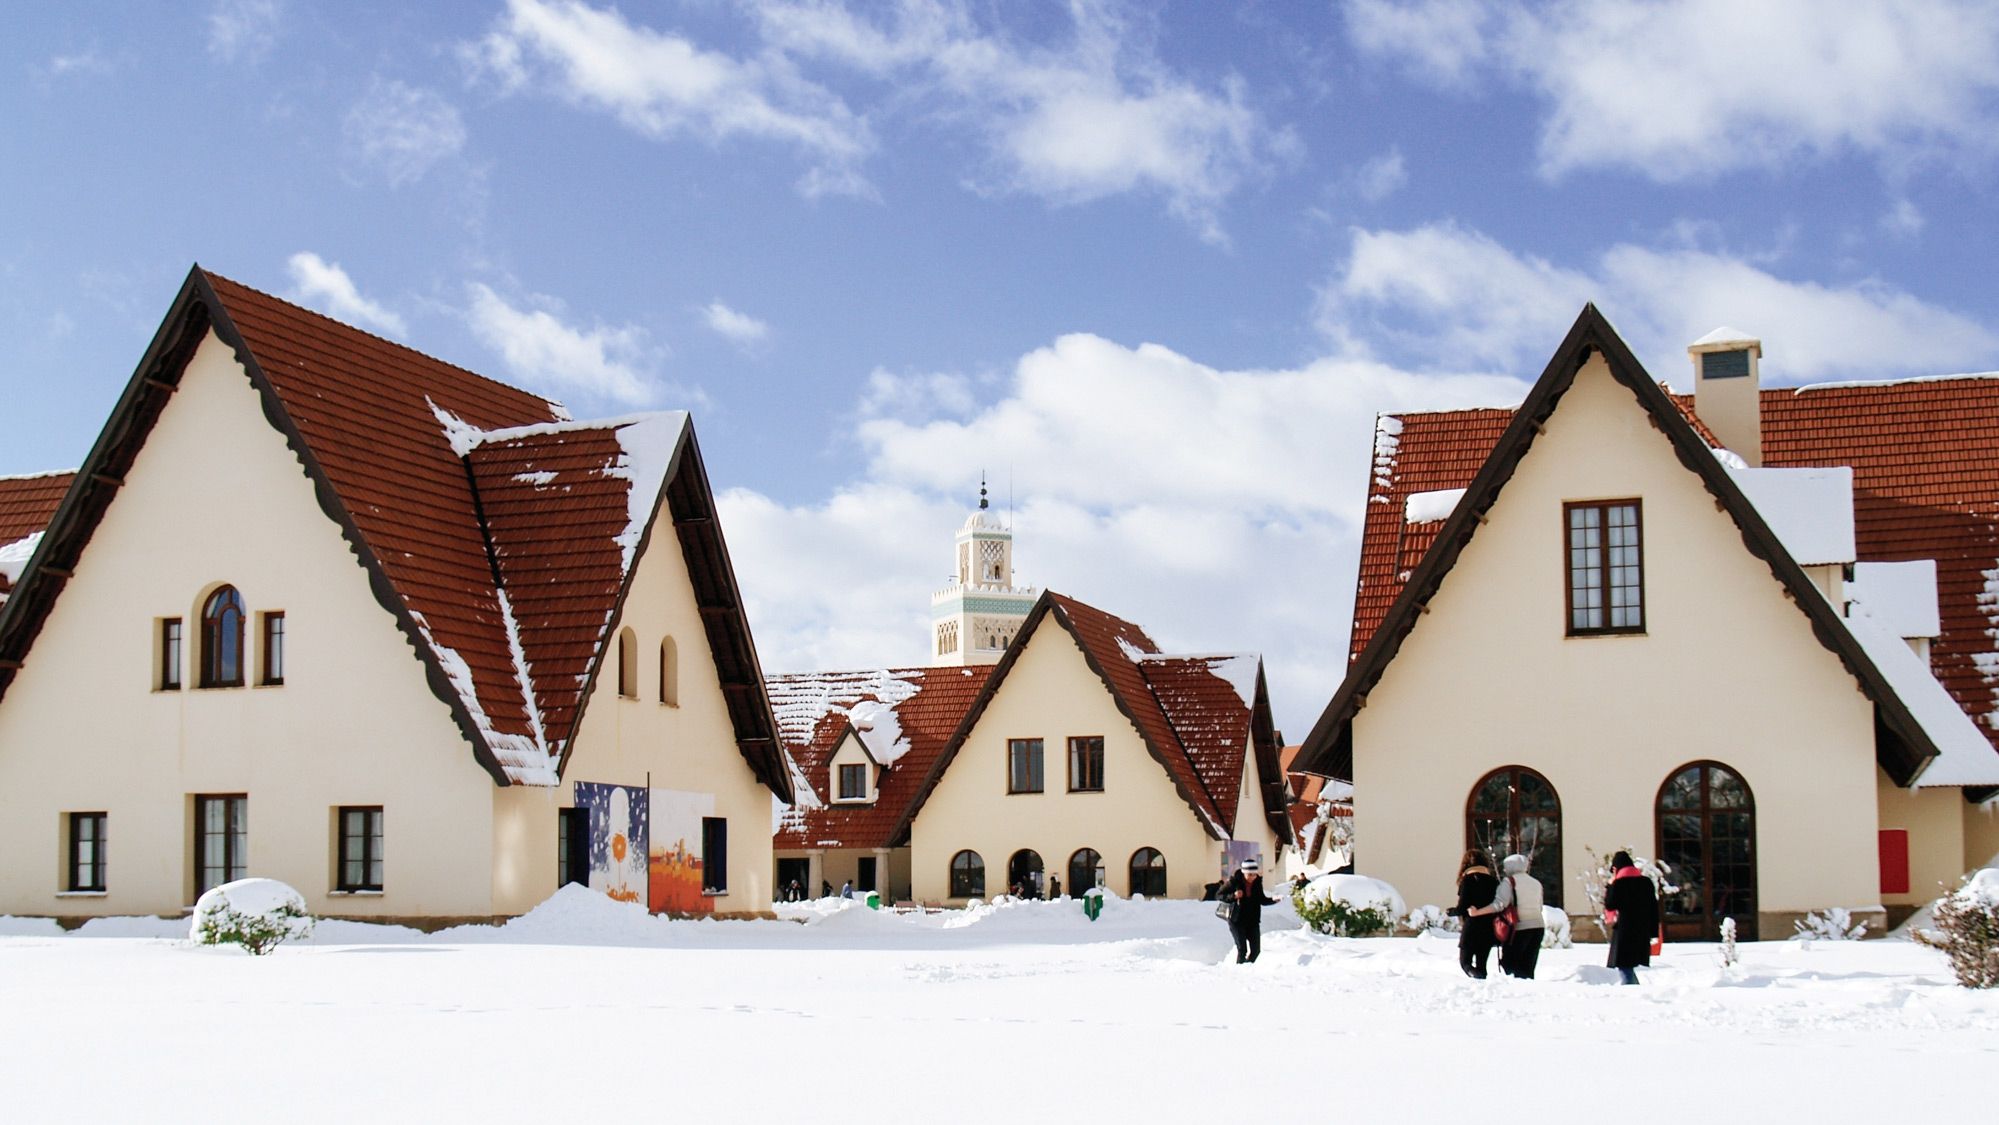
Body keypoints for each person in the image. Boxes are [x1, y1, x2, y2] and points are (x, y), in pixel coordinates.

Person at [1602, 850, 1659, 985]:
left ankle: (1631, 991)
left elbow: (1610, 905)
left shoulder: (1619, 884)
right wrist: (1653, 931)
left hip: (1625, 931)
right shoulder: (1646, 882)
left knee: (1624, 965)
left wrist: (1610, 886)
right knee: (1628, 966)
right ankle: (1634, 988)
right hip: (1642, 930)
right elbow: (1653, 908)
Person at [1489, 853, 1546, 979]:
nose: (1504, 869)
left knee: (1510, 963)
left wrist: (1479, 911)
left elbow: (1499, 904)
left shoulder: (1509, 882)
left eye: (1506, 866)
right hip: (1538, 927)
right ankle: (1528, 990)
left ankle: (1518, 990)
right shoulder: (1536, 883)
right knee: (1528, 965)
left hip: (1519, 928)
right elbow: (1540, 906)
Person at [1446, 848, 1499, 979]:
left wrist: (1451, 911)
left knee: (1465, 963)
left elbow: (1463, 906)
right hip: (1488, 927)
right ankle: (1482, 983)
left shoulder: (1468, 880)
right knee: (1482, 965)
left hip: (1472, 926)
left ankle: (1475, 977)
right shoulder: (1493, 881)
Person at [1220, 857, 1278, 964]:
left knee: (1256, 951)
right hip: (1237, 920)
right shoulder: (1234, 882)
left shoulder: (1257, 883)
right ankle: (1240, 972)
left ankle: (1246, 969)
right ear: (1244, 873)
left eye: (1254, 874)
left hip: (1252, 921)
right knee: (1242, 949)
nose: (1252, 877)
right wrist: (1233, 896)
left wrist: (1273, 900)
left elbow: (1262, 900)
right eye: (1249, 874)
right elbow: (1219, 895)